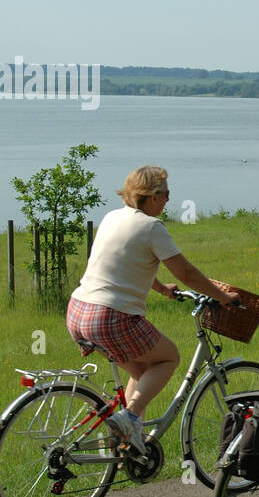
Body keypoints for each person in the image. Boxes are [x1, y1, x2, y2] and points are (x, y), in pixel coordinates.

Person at [66, 165, 238, 459]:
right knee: (168, 357)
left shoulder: (113, 217)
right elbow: (186, 272)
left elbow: (122, 262)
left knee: (144, 371)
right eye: (166, 194)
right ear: (152, 197)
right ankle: (130, 418)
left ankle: (124, 446)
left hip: (79, 312)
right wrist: (222, 296)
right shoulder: (151, 227)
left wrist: (159, 288)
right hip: (111, 318)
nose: (169, 200)